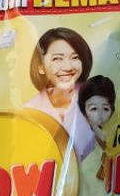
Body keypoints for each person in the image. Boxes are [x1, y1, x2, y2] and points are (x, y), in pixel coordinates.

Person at [25, 28, 95, 160]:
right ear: (41, 66)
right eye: (57, 59)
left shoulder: (96, 97)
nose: (67, 67)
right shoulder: (29, 112)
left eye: (75, 57)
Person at [75, 76, 116, 196]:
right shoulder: (85, 169)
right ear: (85, 116)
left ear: (113, 112)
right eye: (93, 109)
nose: (100, 117)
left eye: (105, 108)